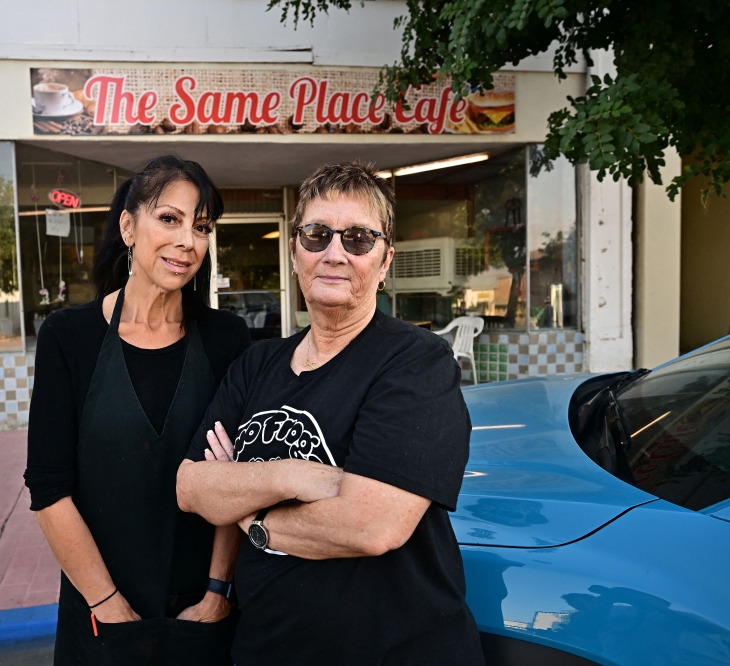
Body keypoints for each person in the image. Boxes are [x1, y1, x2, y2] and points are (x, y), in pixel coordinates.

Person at [177, 162, 486, 665]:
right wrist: (292, 475)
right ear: (295, 251)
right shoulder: (256, 365)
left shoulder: (416, 363)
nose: (335, 253)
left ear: (384, 261)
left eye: (359, 238)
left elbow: (371, 526)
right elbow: (191, 487)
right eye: (317, 235)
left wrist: (247, 510)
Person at [24, 155, 251, 666]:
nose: (187, 241)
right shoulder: (69, 338)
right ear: (128, 226)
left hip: (202, 617)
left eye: (201, 226)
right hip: (102, 619)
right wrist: (106, 604)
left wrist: (218, 592)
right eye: (168, 218)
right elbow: (48, 488)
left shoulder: (226, 340)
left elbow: (240, 478)